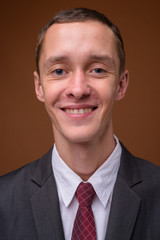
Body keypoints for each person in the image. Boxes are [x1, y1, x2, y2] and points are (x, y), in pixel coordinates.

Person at [0, 7, 160, 240]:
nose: (78, 89)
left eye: (97, 69)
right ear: (39, 87)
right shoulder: (3, 201)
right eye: (59, 71)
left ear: (121, 84)